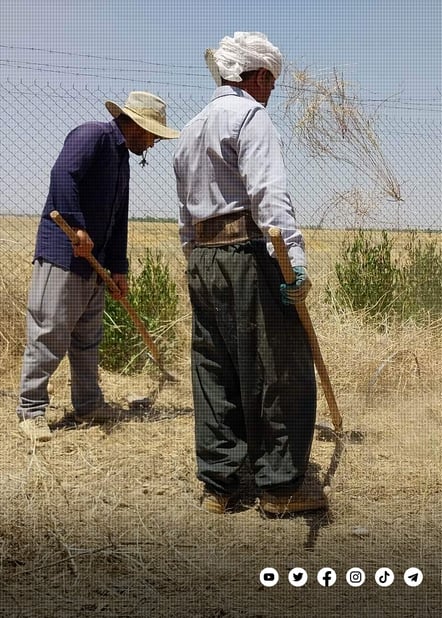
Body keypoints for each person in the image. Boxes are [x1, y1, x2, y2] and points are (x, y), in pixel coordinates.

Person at [173, 32, 324, 516]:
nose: (271, 92)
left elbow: (184, 213)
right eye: (271, 83)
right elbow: (268, 197)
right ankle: (280, 488)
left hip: (204, 258)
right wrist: (294, 263)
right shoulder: (251, 118)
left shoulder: (193, 127)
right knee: (281, 367)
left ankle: (222, 484)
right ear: (257, 77)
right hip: (247, 254)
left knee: (215, 366)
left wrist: (194, 257)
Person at [16, 91, 180, 442]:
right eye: (152, 135)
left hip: (94, 264)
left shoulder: (121, 159)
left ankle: (89, 404)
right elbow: (62, 174)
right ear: (136, 125)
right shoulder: (92, 135)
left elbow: (118, 219)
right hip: (64, 255)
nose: (153, 144)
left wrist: (118, 268)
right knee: (49, 334)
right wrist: (77, 227)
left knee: (88, 338)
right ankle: (31, 411)